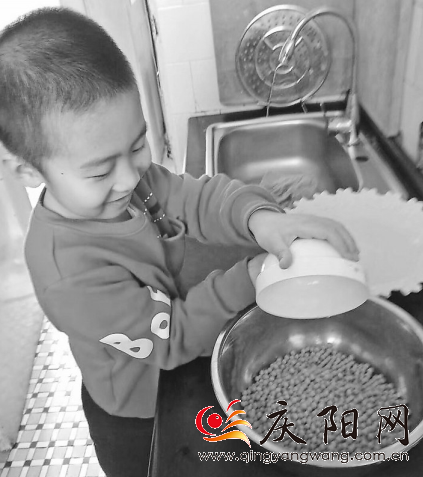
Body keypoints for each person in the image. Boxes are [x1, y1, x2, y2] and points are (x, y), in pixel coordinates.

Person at [0, 7, 359, 477]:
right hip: (139, 409)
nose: (130, 177)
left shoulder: (132, 181)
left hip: (181, 355)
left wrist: (259, 217)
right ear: (28, 169)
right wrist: (249, 278)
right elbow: (169, 337)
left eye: (137, 145)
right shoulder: (66, 273)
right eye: (100, 171)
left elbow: (197, 199)